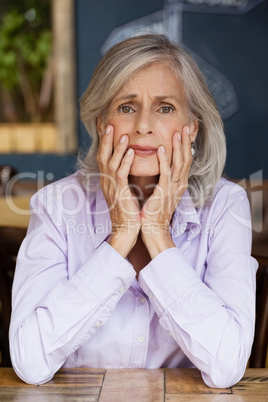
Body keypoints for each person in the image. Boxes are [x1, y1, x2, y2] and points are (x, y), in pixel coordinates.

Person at [9, 34, 257, 387]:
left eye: (165, 107)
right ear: (101, 123)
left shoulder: (225, 206)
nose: (143, 125)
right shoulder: (56, 206)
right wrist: (122, 234)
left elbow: (226, 367)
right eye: (126, 107)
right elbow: (30, 362)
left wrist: (156, 231)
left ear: (192, 129)